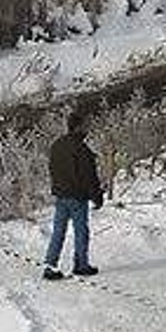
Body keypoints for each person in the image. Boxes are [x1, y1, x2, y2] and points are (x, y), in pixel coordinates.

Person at [43, 107, 105, 280]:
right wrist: (97, 197)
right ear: (78, 127)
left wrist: (58, 188)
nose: (88, 128)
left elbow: (52, 168)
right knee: (81, 232)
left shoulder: (57, 145)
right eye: (86, 125)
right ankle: (81, 265)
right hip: (77, 197)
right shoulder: (82, 149)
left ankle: (50, 266)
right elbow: (89, 176)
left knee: (58, 232)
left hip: (61, 195)